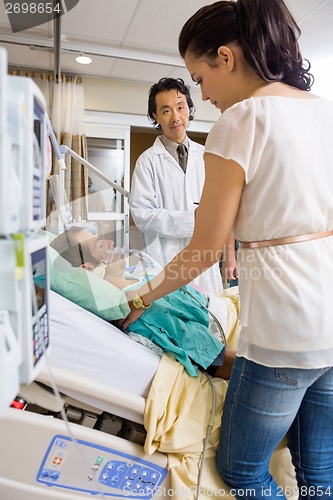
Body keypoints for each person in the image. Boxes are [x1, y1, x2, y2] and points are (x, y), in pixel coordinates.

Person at [118, 0, 333, 497]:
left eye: (197, 79)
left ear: (225, 57)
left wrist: (141, 299)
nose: (201, 94)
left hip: (286, 330)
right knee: (320, 473)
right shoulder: (324, 111)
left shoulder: (241, 121)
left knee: (241, 469)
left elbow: (203, 249)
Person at [50, 226, 235, 380]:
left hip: (229, 305)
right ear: (88, 268)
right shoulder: (141, 314)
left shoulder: (138, 279)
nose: (111, 243)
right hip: (231, 326)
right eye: (100, 245)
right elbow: (218, 361)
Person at [129, 77, 226, 295]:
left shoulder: (207, 156)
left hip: (204, 260)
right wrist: (193, 219)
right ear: (156, 116)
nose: (175, 117)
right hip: (166, 261)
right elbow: (143, 215)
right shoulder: (148, 161)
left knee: (212, 319)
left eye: (180, 107)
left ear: (188, 109)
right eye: (166, 111)